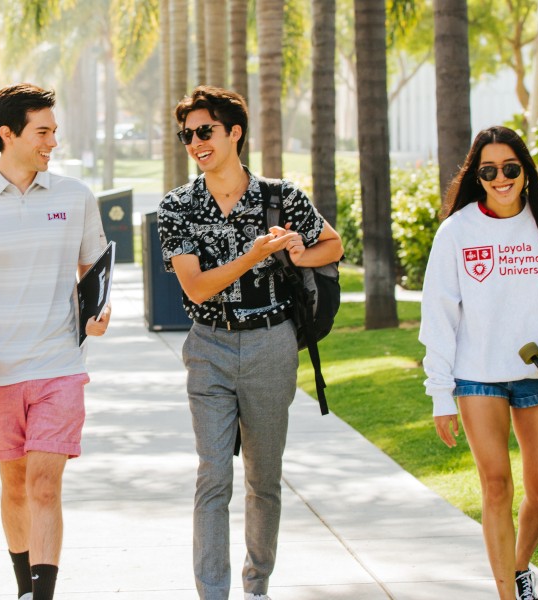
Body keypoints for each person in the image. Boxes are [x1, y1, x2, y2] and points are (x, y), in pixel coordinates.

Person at [157, 86, 343, 600]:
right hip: (209, 347)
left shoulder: (280, 197)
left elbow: (334, 243)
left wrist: (297, 252)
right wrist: (256, 253)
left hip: (271, 345)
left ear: (234, 132)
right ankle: (212, 594)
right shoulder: (178, 207)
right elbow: (195, 286)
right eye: (187, 135)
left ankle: (256, 587)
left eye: (205, 131)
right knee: (213, 474)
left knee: (264, 478)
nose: (195, 142)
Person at [419, 126, 538, 600]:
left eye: (510, 168)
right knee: (497, 486)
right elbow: (438, 316)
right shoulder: (458, 231)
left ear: (525, 171)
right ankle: (509, 594)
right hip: (477, 378)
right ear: (476, 176)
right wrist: (441, 394)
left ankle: (520, 566)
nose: (500, 178)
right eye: (488, 171)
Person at [0, 83, 110, 600]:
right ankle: (22, 587)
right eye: (43, 131)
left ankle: (43, 595)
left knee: (45, 485)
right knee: (14, 486)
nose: (53, 141)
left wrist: (99, 312)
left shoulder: (75, 197)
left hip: (60, 363)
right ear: (7, 134)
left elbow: (94, 271)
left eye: (54, 131)